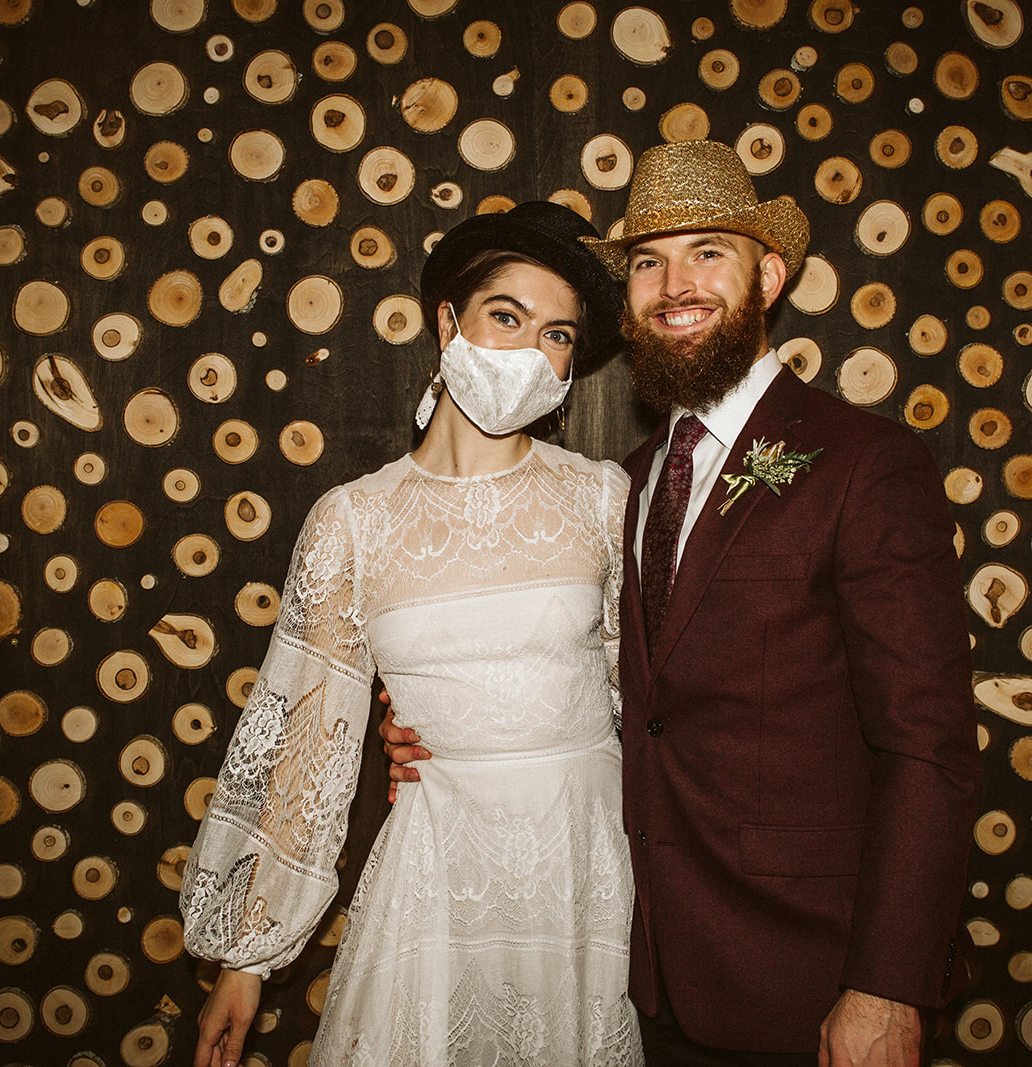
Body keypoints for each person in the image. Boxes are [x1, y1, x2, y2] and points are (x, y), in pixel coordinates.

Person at [385, 141, 979, 1066]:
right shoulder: (617, 485)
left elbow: (927, 742)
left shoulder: (865, 462)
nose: (675, 285)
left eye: (709, 251)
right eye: (649, 263)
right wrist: (433, 729)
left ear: (768, 274)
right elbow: (592, 681)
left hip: (809, 981)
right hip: (630, 966)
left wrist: (888, 985)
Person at [181, 200, 644, 1067]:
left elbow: (656, 705)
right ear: (447, 323)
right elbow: (303, 742)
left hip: (585, 871)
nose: (529, 352)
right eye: (505, 316)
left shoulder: (602, 499)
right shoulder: (352, 521)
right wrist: (244, 959)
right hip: (436, 881)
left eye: (557, 335)